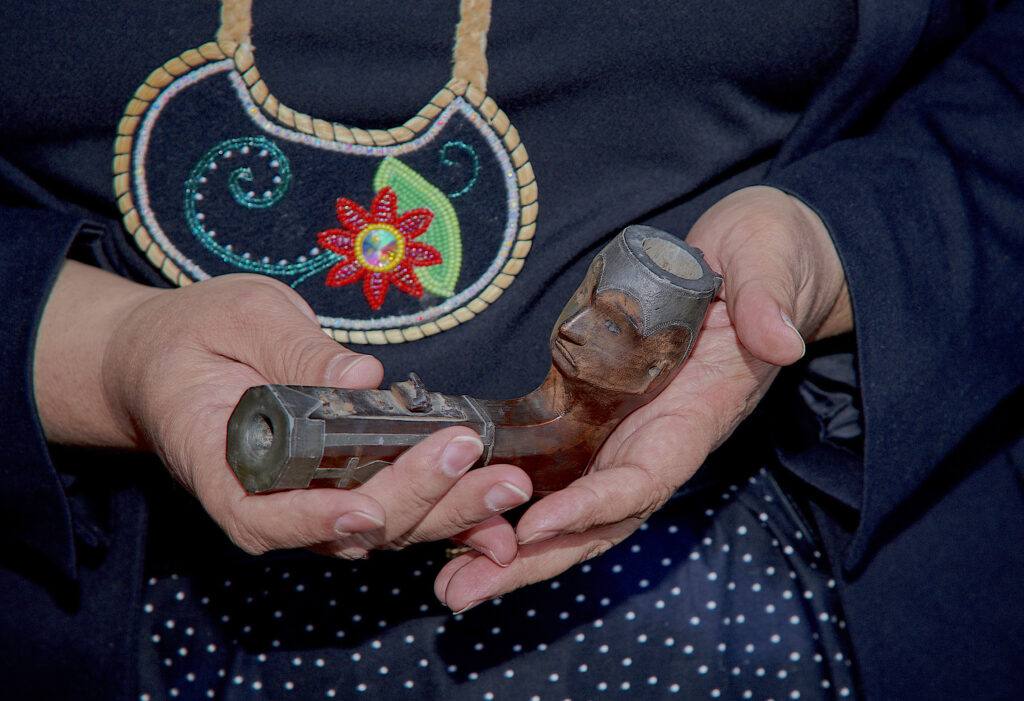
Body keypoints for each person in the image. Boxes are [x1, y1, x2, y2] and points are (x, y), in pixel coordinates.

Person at [2, 1, 1023, 699]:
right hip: (114, 607)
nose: (574, 334)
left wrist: (833, 250)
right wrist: (105, 354)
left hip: (776, 589)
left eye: (612, 327)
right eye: (593, 319)